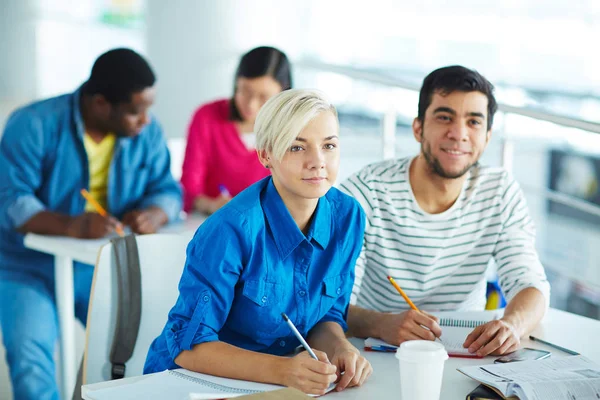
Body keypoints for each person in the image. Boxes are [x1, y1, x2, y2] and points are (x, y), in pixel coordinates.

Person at [145, 89, 372, 395]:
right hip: (189, 385)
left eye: (329, 145)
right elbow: (188, 345)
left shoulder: (348, 217)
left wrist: (340, 348)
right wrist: (283, 370)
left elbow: (326, 314)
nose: (318, 162)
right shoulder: (230, 229)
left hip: (271, 386)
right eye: (296, 147)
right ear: (266, 155)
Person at [0, 48, 182, 400]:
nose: (145, 120)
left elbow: (168, 188)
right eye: (135, 111)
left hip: (98, 267)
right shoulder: (32, 123)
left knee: (137, 351)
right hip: (25, 267)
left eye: (148, 108)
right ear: (100, 103)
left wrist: (155, 213)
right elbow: (10, 201)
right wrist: (72, 226)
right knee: (31, 361)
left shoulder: (146, 130)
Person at [340, 65, 550, 357]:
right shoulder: (367, 192)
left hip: (469, 353)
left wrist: (512, 325)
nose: (458, 134)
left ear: (488, 136)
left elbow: (531, 285)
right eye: (444, 117)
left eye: (474, 122)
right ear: (418, 127)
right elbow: (331, 302)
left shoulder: (500, 192)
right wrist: (380, 323)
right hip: (378, 352)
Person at [180, 46, 292, 214]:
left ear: (282, 94)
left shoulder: (292, 130)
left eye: (263, 97)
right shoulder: (207, 117)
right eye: (245, 91)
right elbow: (188, 189)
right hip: (211, 222)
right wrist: (211, 205)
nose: (251, 104)